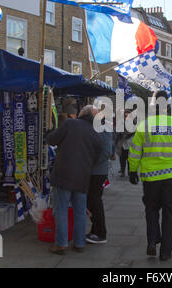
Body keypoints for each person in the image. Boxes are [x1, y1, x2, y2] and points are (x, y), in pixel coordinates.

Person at [128, 90, 172, 261]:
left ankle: (152, 241)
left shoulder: (144, 125)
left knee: (151, 210)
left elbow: (135, 151)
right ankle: (166, 252)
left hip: (150, 178)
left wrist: (133, 170)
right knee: (170, 214)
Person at [47, 105, 101, 254]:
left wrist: (49, 132)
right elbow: (97, 157)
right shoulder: (95, 134)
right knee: (80, 211)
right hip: (83, 177)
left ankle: (61, 244)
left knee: (61, 210)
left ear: (82, 113)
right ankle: (79, 243)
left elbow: (52, 140)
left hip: (63, 174)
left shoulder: (70, 124)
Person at [86, 102, 115, 244]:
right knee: (92, 201)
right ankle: (95, 230)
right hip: (95, 170)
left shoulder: (103, 127)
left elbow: (106, 151)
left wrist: (91, 162)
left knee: (95, 201)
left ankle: (100, 232)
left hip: (97, 171)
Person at [116, 110, 135, 177]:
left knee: (129, 159)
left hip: (130, 143)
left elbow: (134, 131)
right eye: (125, 116)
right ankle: (123, 171)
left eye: (127, 116)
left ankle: (130, 172)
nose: (126, 117)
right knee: (122, 158)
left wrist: (126, 134)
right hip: (122, 143)